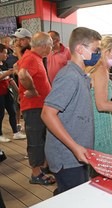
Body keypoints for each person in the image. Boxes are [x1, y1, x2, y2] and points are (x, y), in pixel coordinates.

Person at [41, 27, 102, 194]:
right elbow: (47, 113)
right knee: (73, 199)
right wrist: (75, 147)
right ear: (80, 49)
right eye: (96, 50)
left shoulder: (80, 75)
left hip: (77, 155)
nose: (99, 54)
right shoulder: (70, 76)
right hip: (68, 157)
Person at [17, 32, 55, 185]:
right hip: (33, 108)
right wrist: (32, 90)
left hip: (39, 107)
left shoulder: (33, 57)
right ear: (45, 45)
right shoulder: (31, 57)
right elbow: (22, 74)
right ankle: (36, 174)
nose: (51, 48)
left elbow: (18, 69)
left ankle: (43, 167)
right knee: (36, 140)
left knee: (42, 138)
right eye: (51, 45)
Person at [0, 44, 26, 142]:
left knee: (13, 111)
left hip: (6, 91)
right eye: (5, 53)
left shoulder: (5, 64)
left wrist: (19, 91)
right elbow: (6, 75)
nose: (6, 56)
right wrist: (7, 73)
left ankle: (16, 132)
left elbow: (10, 80)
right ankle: (0, 134)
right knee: (1, 114)